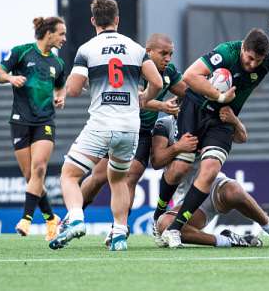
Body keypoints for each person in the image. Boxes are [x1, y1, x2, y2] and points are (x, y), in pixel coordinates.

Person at [159, 28, 269, 248]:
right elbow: (190, 75)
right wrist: (219, 95)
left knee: (212, 171)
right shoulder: (227, 52)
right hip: (196, 109)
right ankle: (220, 238)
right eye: (250, 58)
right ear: (243, 48)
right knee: (178, 171)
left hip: (222, 117)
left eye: (259, 60)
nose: (253, 64)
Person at [48, 0, 162, 251]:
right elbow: (157, 83)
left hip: (101, 124)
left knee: (69, 174)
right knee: (118, 179)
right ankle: (119, 234)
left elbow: (74, 89)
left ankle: (76, 219)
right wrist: (144, 97)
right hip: (130, 127)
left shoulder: (87, 49)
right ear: (117, 20)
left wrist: (88, 83)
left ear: (93, 21)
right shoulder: (134, 48)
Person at [74, 33, 187, 245]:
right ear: (149, 51)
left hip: (142, 131)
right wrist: (163, 106)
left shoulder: (169, 72)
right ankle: (74, 214)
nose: (168, 58)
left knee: (131, 176)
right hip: (116, 123)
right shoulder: (133, 64)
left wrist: (204, 94)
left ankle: (120, 228)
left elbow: (188, 92)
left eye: (171, 54)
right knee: (98, 177)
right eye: (163, 53)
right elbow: (136, 96)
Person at [153, 113, 269, 248]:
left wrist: (234, 120)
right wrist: (177, 147)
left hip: (211, 183)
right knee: (164, 225)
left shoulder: (209, 116)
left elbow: (242, 137)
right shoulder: (166, 124)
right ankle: (227, 240)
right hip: (185, 197)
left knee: (234, 190)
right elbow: (156, 162)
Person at [0, 16, 67, 241]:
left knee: (39, 170)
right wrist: (10, 78)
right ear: (49, 33)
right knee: (30, 176)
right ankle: (51, 218)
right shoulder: (22, 52)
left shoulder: (58, 64)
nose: (64, 38)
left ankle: (26, 219)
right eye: (61, 34)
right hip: (20, 121)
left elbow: (60, 88)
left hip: (45, 122)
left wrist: (59, 97)